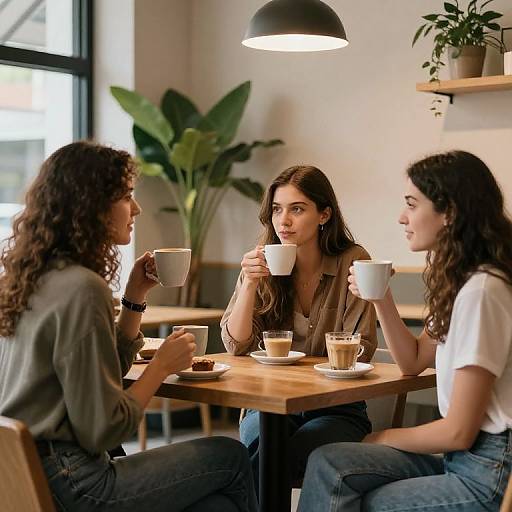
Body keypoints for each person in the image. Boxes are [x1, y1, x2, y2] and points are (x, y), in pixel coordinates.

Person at [0, 141, 257, 512]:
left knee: (216, 506)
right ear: (92, 205)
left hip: (25, 474)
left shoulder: (29, 278)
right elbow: (104, 427)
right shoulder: (82, 288)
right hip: (76, 483)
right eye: (126, 196)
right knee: (229, 455)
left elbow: (101, 375)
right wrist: (161, 367)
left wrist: (134, 297)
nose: (136, 209)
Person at [298, 151, 512, 511]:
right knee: (328, 461)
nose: (402, 217)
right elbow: (413, 361)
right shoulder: (461, 283)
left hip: (488, 474)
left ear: (451, 213)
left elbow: (459, 431)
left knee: (368, 500)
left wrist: (382, 437)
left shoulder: (483, 291)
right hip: (467, 459)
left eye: (412, 205)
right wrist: (380, 298)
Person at [220, 165, 378, 491]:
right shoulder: (260, 262)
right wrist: (250, 284)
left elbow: (361, 347)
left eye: (297, 209)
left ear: (324, 215)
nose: (284, 221)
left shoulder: (353, 260)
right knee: (264, 447)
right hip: (268, 405)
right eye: (277, 210)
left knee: (271, 457)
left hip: (336, 409)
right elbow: (236, 346)